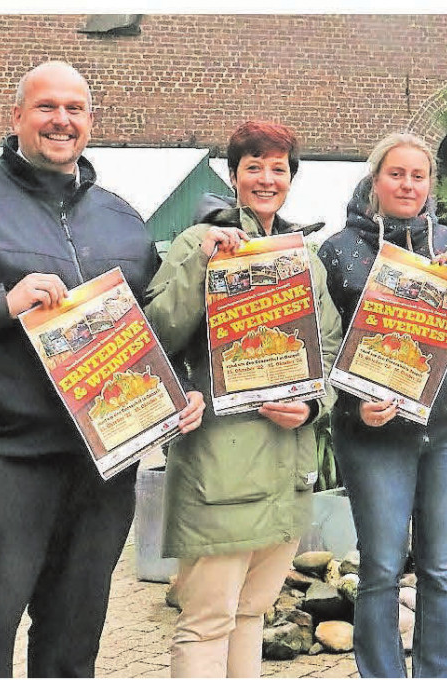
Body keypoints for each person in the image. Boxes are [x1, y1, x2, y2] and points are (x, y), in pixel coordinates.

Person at [0, 61, 205, 678]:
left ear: (90, 121)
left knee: (73, 640)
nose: (62, 120)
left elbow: (144, 328)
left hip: (98, 466)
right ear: (17, 118)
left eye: (75, 109)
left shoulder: (121, 218)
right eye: (46, 107)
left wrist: (176, 392)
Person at [143, 120, 343, 678]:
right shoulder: (195, 243)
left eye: (278, 168)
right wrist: (202, 262)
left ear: (290, 179)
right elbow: (156, 333)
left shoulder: (302, 254)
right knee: (208, 620)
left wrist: (312, 407)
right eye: (253, 166)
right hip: (221, 465)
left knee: (253, 613)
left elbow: (326, 347)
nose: (266, 178)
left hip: (285, 464)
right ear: (233, 176)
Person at [316, 132, 447, 678]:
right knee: (379, 568)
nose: (407, 184)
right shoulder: (339, 249)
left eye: (417, 175)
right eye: (396, 174)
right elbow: (326, 344)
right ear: (375, 181)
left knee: (442, 570)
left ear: (430, 184)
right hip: (376, 433)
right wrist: (353, 406)